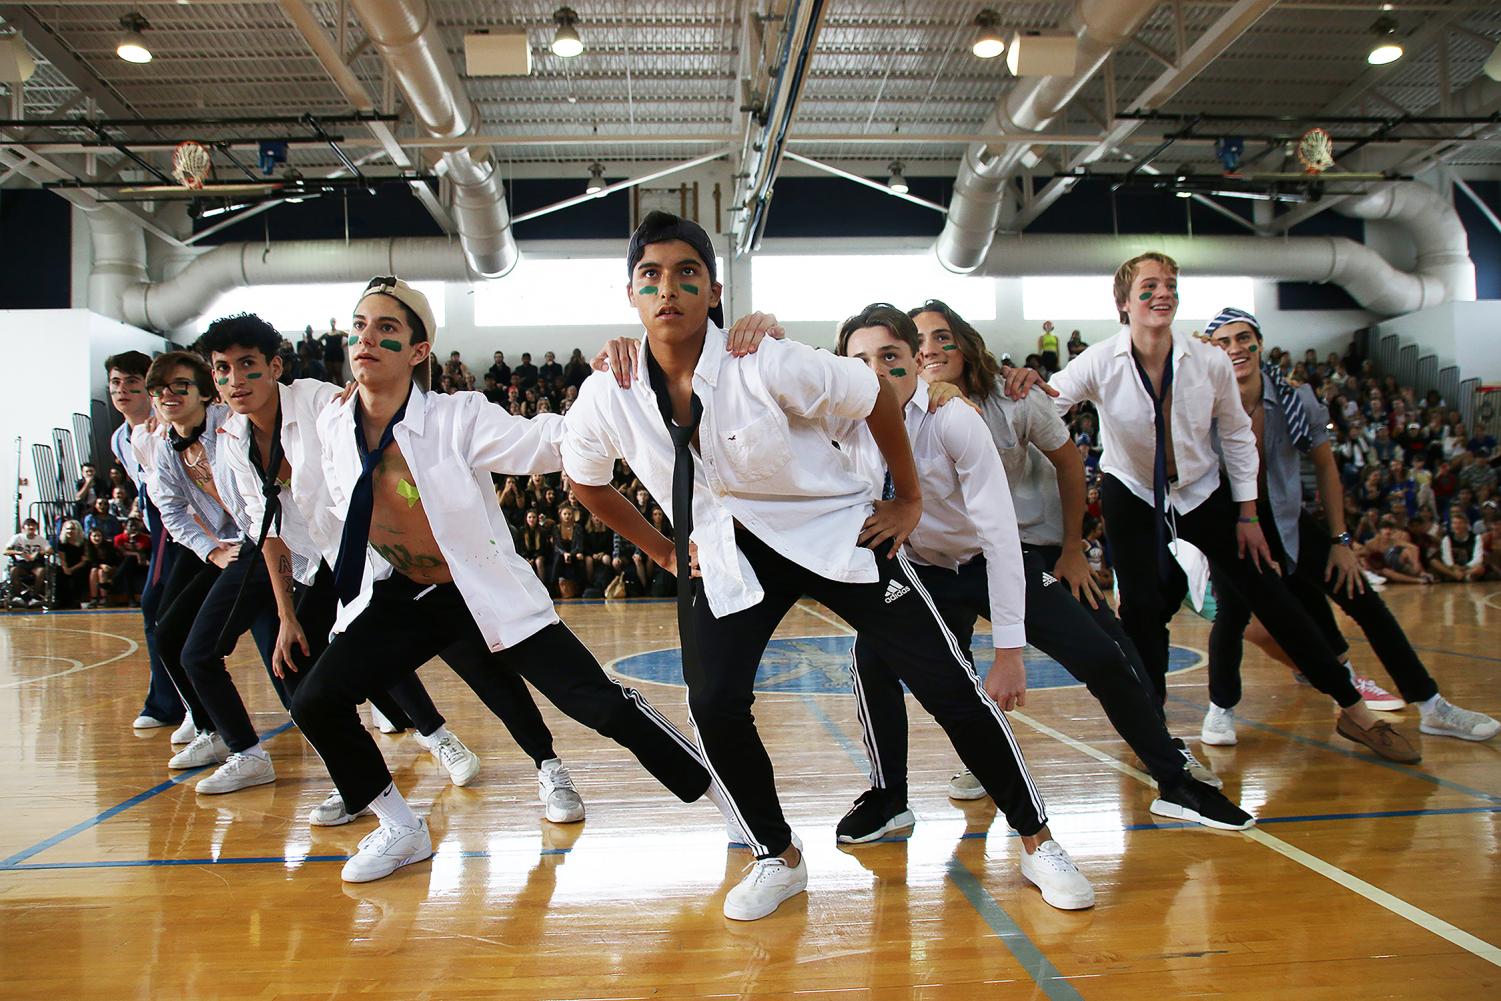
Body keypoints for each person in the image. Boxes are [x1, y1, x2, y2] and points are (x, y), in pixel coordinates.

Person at [566, 212, 1092, 920]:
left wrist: (906, 498)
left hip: (837, 529)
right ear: (630, 294)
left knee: (947, 683)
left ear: (713, 290)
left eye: (687, 273)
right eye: (651, 276)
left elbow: (875, 397)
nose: (669, 288)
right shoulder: (609, 390)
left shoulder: (766, 358)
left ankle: (1037, 839)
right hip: (727, 550)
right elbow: (583, 481)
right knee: (713, 702)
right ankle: (775, 855)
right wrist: (663, 549)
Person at [288, 277, 725, 883]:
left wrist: (607, 389)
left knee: (596, 703)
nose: (368, 339)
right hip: (405, 594)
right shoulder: (332, 422)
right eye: (359, 326)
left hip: (480, 588)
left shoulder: (455, 416)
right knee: (316, 698)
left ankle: (724, 799)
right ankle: (401, 829)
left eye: (387, 329)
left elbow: (550, 440)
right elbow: (271, 411)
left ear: (418, 353)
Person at [1044, 252, 1418, 763]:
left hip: (1201, 490)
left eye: (1171, 284)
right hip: (1132, 490)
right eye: (1149, 286)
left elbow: (1239, 438)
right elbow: (1047, 404)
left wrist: (1247, 515)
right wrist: (1014, 388)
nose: (1163, 293)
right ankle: (1157, 735)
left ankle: (1353, 709)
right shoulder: (1098, 361)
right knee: (1141, 610)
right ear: (1124, 303)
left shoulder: (1209, 360)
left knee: (1271, 591)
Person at [904, 300, 1243, 821]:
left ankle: (1166, 761)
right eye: (919, 340)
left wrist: (1072, 549)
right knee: (946, 667)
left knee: (1110, 648)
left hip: (1023, 547)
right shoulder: (899, 403)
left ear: (965, 342)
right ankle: (978, 762)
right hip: (939, 559)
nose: (930, 349)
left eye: (942, 337)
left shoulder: (1014, 395)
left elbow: (1068, 462)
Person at [206, 312, 505, 814]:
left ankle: (439, 737)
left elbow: (375, 422)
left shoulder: (324, 402)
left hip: (368, 552)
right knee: (300, 663)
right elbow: (272, 534)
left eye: (247, 365)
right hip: (314, 560)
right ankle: (359, 785)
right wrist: (286, 616)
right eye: (222, 369)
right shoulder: (233, 441)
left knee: (393, 650)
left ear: (275, 366)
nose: (235, 381)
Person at [1202, 308, 1497, 745]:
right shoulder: (1202, 399)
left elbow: (1326, 469)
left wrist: (1341, 540)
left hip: (1288, 519)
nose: (1235, 349)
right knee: (1233, 613)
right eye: (1223, 342)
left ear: (1259, 342)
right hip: (1233, 525)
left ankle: (1431, 704)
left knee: (1365, 600)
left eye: (1243, 338)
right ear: (1211, 352)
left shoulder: (1294, 398)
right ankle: (1220, 708)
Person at [104, 350, 185, 731]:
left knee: (157, 605)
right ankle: (173, 703)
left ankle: (174, 704)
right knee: (160, 612)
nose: (123, 391)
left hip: (183, 519)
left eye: (132, 384)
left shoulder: (165, 426)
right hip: (159, 520)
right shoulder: (120, 438)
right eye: (116, 383)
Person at [1432, 507, 1488, 583]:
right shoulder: (1447, 539)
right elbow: (1446, 557)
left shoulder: (1476, 537)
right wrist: (1453, 567)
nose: (1457, 526)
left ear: (1466, 524)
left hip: (1469, 567)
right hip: (1453, 568)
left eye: (1460, 523)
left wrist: (1465, 567)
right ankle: (1456, 576)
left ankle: (1462, 576)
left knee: (1480, 568)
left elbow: (1478, 558)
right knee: (1434, 562)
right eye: (1455, 523)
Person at [4, 517, 49, 607]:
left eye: (33, 525)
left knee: (41, 571)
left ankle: (35, 598)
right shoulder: (17, 538)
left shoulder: (40, 539)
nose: (31, 527)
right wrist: (19, 552)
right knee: (13, 570)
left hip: (35, 564)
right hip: (21, 563)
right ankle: (17, 597)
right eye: (28, 525)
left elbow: (50, 550)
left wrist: (37, 553)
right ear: (24, 527)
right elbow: (5, 551)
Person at [321, 316, 345, 384]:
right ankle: (330, 392)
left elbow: (350, 337)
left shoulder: (340, 332)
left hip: (338, 354)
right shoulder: (326, 334)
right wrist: (323, 347)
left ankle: (342, 391)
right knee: (329, 374)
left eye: (334, 321)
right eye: (331, 321)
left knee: (338, 373)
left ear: (336, 322)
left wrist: (344, 345)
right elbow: (318, 341)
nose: (333, 322)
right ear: (330, 323)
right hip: (328, 354)